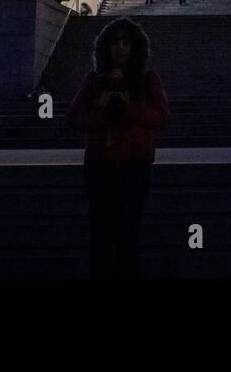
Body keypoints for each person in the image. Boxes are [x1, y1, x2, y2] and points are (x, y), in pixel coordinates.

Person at [66, 18, 170, 281]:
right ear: (106, 48)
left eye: (126, 42)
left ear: (136, 47)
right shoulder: (94, 80)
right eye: (115, 42)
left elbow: (162, 118)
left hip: (135, 167)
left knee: (129, 234)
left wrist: (129, 111)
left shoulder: (148, 80)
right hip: (100, 168)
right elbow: (73, 118)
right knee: (100, 234)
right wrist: (103, 116)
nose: (121, 48)